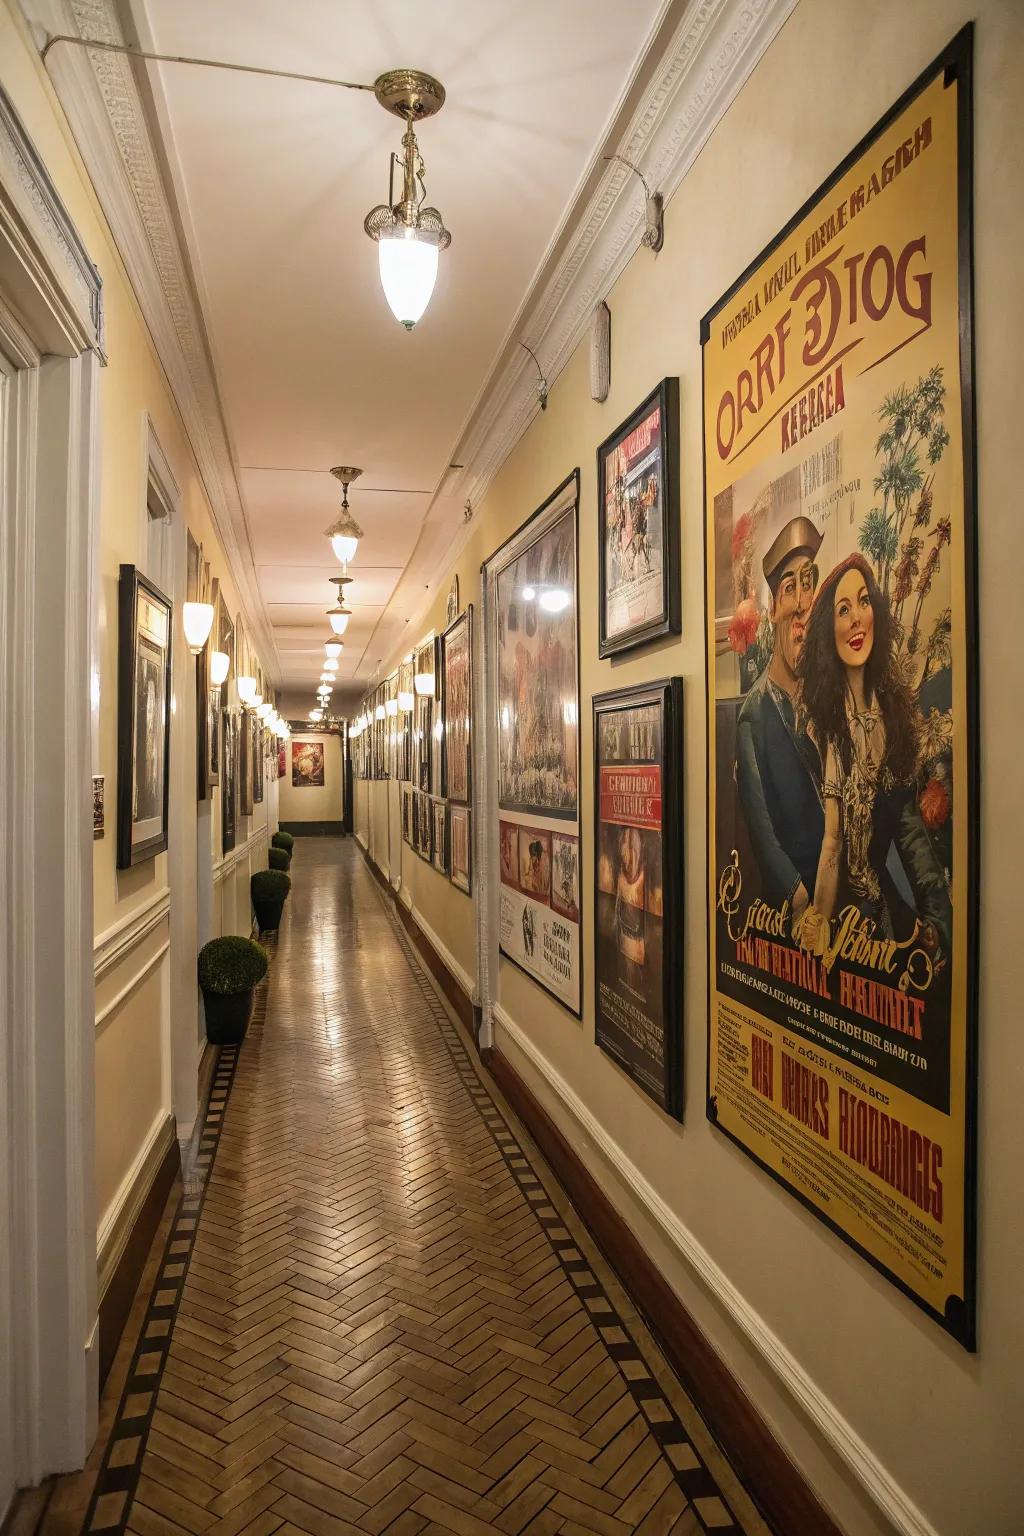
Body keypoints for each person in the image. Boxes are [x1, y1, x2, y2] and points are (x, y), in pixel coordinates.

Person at [796, 553, 951, 956]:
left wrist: (938, 918)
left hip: (882, 912)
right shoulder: (826, 726)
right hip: (844, 917)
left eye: (864, 602)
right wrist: (820, 924)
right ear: (827, 632)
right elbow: (832, 844)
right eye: (843, 609)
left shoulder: (893, 714)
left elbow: (908, 827)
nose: (856, 619)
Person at [735, 516, 824, 919]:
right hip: (800, 917)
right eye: (791, 588)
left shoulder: (828, 695)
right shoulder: (754, 715)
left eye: (810, 583)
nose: (803, 602)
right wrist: (801, 897)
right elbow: (763, 834)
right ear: (773, 610)